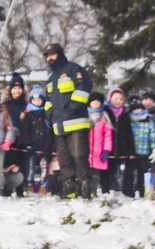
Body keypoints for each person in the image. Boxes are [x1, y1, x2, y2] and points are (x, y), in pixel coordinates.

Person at [43, 43, 93, 199]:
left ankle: (85, 185)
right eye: (47, 55)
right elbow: (48, 99)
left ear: (60, 54)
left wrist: (72, 107)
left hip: (76, 121)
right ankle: (69, 186)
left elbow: (84, 88)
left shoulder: (74, 69)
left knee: (79, 155)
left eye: (52, 54)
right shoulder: (51, 78)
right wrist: (50, 114)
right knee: (64, 159)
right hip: (59, 125)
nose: (50, 58)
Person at [20, 84, 54, 193]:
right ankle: (29, 184)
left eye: (39, 99)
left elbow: (50, 131)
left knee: (44, 166)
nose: (37, 102)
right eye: (34, 100)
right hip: (32, 146)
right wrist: (28, 144)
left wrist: (48, 146)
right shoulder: (28, 115)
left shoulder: (46, 115)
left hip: (44, 147)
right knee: (31, 166)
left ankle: (44, 185)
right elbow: (25, 131)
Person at [128, 95, 155, 198]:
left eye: (140, 109)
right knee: (130, 173)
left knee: (144, 172)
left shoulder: (148, 119)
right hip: (131, 152)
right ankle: (129, 191)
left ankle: (143, 192)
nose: (138, 111)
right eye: (135, 109)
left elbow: (153, 135)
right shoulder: (129, 120)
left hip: (144, 151)